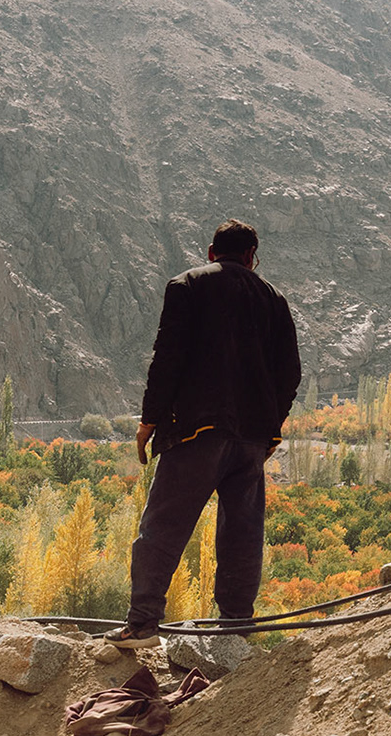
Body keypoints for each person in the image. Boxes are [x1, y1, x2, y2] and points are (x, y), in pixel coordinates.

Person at [106, 220, 302, 648]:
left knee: (163, 527)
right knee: (242, 533)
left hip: (196, 432)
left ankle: (142, 624)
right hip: (251, 441)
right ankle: (235, 627)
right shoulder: (275, 300)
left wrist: (149, 421)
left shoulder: (187, 285)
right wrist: (271, 430)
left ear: (212, 252)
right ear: (252, 257)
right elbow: (290, 374)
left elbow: (167, 358)